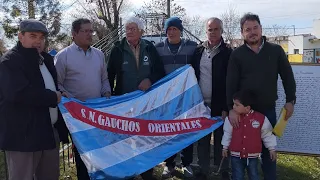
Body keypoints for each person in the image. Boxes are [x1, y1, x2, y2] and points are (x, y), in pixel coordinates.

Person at [226, 13, 296, 180]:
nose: (252, 32)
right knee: (241, 155)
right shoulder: (237, 54)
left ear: (261, 28)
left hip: (268, 111)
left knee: (268, 153)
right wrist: (231, 109)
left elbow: (288, 77)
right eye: (247, 29)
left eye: (255, 27)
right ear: (242, 33)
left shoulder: (276, 50)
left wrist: (290, 100)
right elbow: (230, 84)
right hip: (244, 113)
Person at [0, 19, 69, 180]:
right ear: (20, 36)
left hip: (48, 132)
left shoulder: (46, 59)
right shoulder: (10, 61)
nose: (38, 41)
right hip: (22, 137)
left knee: (50, 176)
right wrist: (53, 97)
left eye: (41, 37)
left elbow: (50, 86)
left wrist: (59, 94)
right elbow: (19, 93)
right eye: (33, 36)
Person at [107, 16, 165, 180]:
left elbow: (159, 71)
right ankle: (128, 172)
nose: (129, 31)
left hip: (147, 102)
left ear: (141, 31)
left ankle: (147, 172)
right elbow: (109, 75)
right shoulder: (117, 49)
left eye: (133, 28)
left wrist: (150, 79)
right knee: (126, 138)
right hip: (125, 103)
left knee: (145, 137)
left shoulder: (149, 48)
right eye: (127, 28)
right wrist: (110, 98)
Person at [55, 18, 111, 180]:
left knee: (100, 151)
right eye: (85, 31)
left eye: (91, 31)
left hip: (98, 114)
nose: (89, 34)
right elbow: (57, 83)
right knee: (82, 154)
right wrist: (68, 98)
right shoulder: (63, 56)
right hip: (76, 117)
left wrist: (106, 91)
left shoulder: (99, 55)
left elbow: (104, 79)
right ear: (74, 34)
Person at [155, 16, 197, 178]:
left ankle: (186, 164)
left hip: (186, 98)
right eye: (169, 29)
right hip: (166, 99)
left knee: (187, 130)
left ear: (180, 30)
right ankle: (169, 164)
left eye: (175, 29)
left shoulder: (192, 47)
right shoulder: (158, 48)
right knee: (168, 132)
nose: (171, 32)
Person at [191, 17, 232, 180]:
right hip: (201, 104)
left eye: (216, 29)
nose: (213, 32)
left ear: (221, 31)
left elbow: (231, 81)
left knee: (222, 140)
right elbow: (193, 75)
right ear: (205, 31)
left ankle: (223, 171)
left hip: (220, 105)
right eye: (210, 29)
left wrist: (227, 107)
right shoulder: (198, 51)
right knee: (203, 141)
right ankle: (203, 170)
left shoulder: (228, 52)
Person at [222, 90, 277, 180]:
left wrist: (271, 148)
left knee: (254, 175)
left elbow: (267, 134)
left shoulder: (260, 119)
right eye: (233, 104)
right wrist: (225, 147)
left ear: (247, 108)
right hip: (236, 155)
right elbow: (227, 133)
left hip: (253, 156)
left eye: (237, 105)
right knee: (237, 176)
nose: (233, 107)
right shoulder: (231, 119)